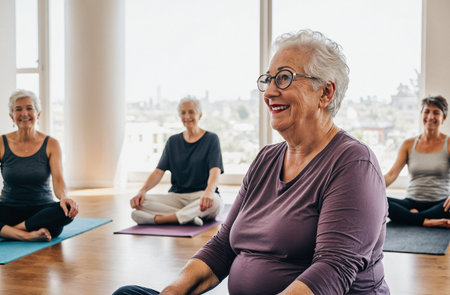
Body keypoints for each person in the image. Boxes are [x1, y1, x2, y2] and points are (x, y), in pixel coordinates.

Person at [114, 30, 389, 295]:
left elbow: (333, 270)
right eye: (268, 80)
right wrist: (172, 291)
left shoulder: (353, 163)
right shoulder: (265, 159)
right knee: (128, 293)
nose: (269, 92)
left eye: (283, 78)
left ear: (325, 93)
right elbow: (222, 247)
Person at [129, 96, 224, 227]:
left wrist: (209, 191)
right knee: (142, 203)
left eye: (191, 112)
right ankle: (187, 217)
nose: (187, 116)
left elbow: (215, 171)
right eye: (183, 112)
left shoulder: (211, 139)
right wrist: (142, 191)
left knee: (216, 203)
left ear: (200, 115)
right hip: (177, 196)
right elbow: (158, 172)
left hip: (201, 195)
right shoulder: (173, 142)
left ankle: (162, 219)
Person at [0, 89, 78, 242]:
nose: (24, 113)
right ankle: (26, 234)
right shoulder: (1, 143)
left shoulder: (51, 144)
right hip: (9, 208)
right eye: (18, 109)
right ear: (11, 116)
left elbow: (58, 179)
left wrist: (64, 197)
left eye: (29, 108)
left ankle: (9, 231)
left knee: (66, 210)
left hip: (41, 210)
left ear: (38, 114)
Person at [384, 95, 450, 228]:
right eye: (427, 111)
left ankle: (410, 216)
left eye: (436, 113)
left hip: (440, 204)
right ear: (421, 115)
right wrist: (371, 189)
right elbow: (391, 174)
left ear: (443, 118)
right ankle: (426, 220)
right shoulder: (408, 144)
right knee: (379, 201)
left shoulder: (448, 144)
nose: (430, 117)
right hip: (411, 202)